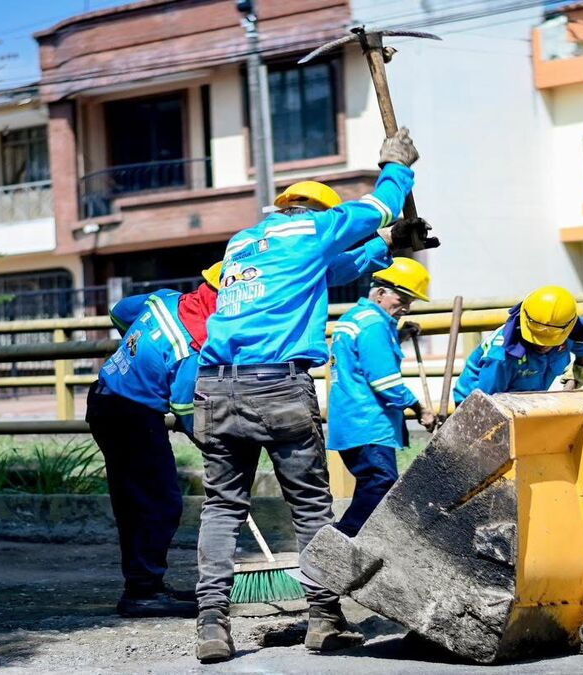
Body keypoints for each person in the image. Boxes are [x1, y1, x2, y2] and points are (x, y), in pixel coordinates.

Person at [192, 128, 431, 663]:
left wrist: (387, 247)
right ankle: (323, 619)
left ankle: (211, 625)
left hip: (216, 387)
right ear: (318, 214)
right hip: (277, 385)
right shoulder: (313, 229)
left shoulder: (241, 244)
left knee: (222, 507)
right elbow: (377, 206)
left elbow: (338, 268)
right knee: (310, 507)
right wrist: (397, 165)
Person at [84, 262, 221, 618]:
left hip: (104, 398)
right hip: (131, 414)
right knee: (160, 503)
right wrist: (213, 446)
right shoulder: (193, 344)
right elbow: (185, 405)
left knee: (135, 501)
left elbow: (119, 312)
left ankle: (145, 585)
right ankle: (142, 591)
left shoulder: (163, 300)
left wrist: (138, 348)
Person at [327, 258, 437, 538]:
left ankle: (354, 539)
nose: (405, 308)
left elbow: (365, 357)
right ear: (379, 294)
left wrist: (399, 335)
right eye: (401, 300)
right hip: (368, 422)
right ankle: (345, 537)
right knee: (380, 481)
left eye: (409, 302)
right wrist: (419, 407)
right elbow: (384, 380)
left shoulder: (358, 319)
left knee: (371, 483)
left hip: (351, 420)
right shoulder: (374, 325)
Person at [452, 285, 583, 405]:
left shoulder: (572, 329)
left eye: (550, 341)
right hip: (477, 403)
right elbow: (485, 403)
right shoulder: (501, 356)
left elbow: (582, 353)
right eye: (537, 339)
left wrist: (576, 377)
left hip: (530, 400)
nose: (543, 345)